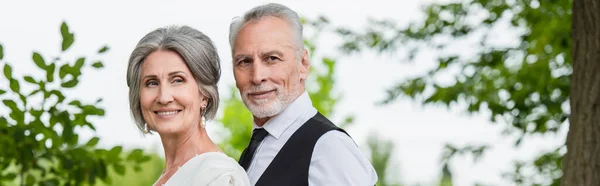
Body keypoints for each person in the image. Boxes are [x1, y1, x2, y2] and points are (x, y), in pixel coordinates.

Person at [229, 3, 378, 186]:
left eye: (272, 58)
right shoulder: (253, 150)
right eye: (245, 61)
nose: (257, 76)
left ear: (303, 64)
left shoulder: (329, 148)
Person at [126, 25, 250, 186]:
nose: (163, 97)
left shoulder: (220, 177)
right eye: (151, 83)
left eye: (177, 80)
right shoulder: (170, 175)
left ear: (204, 94)